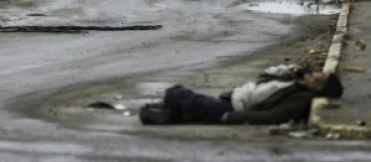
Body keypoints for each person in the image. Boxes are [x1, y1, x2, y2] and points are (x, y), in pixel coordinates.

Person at [139, 65, 343, 126]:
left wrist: (232, 118)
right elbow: (267, 80)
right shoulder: (299, 86)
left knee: (175, 93)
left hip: (230, 109)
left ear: (319, 86)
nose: (315, 73)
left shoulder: (302, 98)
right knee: (182, 101)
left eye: (320, 75)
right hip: (229, 100)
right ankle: (173, 114)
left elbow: (272, 117)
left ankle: (169, 114)